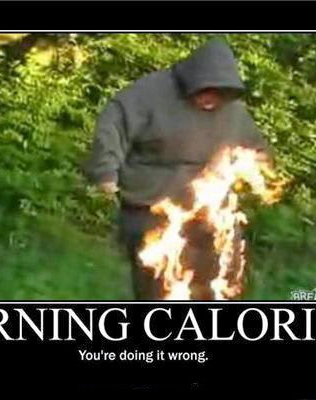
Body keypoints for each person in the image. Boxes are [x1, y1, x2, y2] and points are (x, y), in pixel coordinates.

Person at [86, 38, 270, 300]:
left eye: (219, 93)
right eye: (206, 90)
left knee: (213, 283)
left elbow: (254, 148)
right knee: (158, 285)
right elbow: (112, 127)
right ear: (193, 82)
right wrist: (105, 171)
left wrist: (262, 176)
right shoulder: (148, 94)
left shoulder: (232, 110)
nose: (211, 99)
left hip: (208, 213)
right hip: (151, 205)